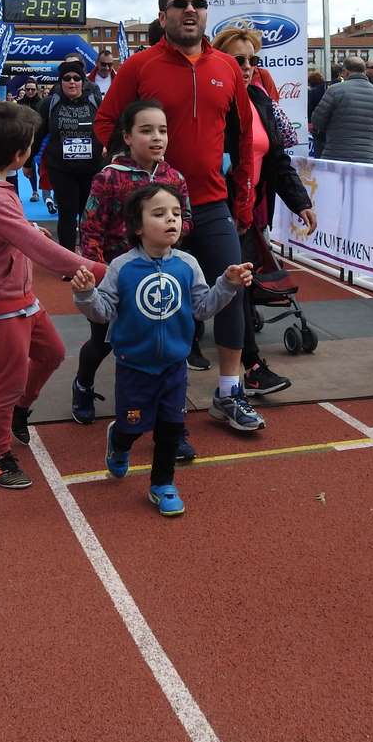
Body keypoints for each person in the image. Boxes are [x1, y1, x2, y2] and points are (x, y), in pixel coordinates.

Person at [94, 0, 262, 432]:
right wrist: (131, 175)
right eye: (180, 4)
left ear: (207, 12)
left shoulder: (227, 66)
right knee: (144, 302)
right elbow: (107, 120)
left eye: (199, 4)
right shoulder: (140, 66)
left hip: (210, 203)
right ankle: (141, 399)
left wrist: (243, 198)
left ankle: (229, 392)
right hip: (152, 211)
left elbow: (244, 137)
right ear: (163, 14)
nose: (191, 10)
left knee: (232, 291)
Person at [0, 101, 107, 490]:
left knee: (51, 352)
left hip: (16, 295)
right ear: (20, 156)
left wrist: (30, 230)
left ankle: (18, 412)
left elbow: (12, 232)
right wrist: (99, 270)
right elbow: (37, 249)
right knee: (9, 377)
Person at [72, 184, 252, 516]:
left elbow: (202, 308)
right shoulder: (122, 267)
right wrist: (86, 295)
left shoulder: (187, 265)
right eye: (159, 214)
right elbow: (104, 312)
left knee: (169, 428)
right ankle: (120, 442)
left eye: (176, 214)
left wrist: (227, 284)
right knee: (133, 425)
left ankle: (162, 484)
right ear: (137, 227)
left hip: (173, 366)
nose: (171, 220)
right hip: (133, 367)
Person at [74, 99, 191, 437]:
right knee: (105, 341)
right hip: (117, 277)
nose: (157, 138)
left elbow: (188, 221)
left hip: (161, 276)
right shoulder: (109, 178)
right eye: (146, 130)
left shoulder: (175, 177)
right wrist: (101, 274)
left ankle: (170, 422)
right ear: (126, 136)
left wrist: (169, 238)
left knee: (166, 343)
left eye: (163, 131)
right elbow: (91, 227)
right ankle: (83, 384)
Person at [213, 26, 317, 398]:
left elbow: (276, 157)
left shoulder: (260, 99)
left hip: (247, 208)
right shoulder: (211, 100)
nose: (246, 66)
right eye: (237, 59)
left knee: (237, 286)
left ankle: (250, 369)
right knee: (216, 287)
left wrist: (299, 201)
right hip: (210, 207)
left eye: (253, 60)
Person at [36, 60, 104, 250]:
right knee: (67, 212)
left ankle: (89, 253)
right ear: (60, 82)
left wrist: (110, 148)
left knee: (88, 213)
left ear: (83, 82)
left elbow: (108, 128)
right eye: (67, 78)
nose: (72, 82)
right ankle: (67, 257)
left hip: (91, 168)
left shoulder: (95, 101)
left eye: (77, 78)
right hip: (61, 169)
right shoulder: (49, 104)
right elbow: (38, 133)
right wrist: (27, 163)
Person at [310, 54, 373, 162]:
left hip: (336, 156)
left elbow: (317, 121)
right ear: (364, 71)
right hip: (367, 158)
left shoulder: (334, 90)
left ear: (345, 71)